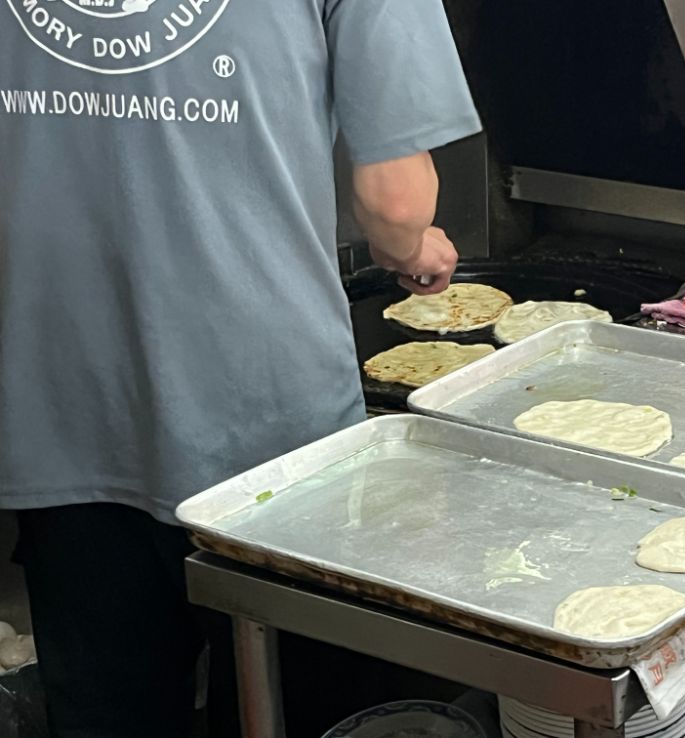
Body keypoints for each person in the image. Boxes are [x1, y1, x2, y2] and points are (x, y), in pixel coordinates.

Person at [0, 0, 482, 735]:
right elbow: (394, 201)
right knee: (285, 707)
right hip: (266, 428)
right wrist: (412, 249)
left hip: (61, 404)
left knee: (109, 711)